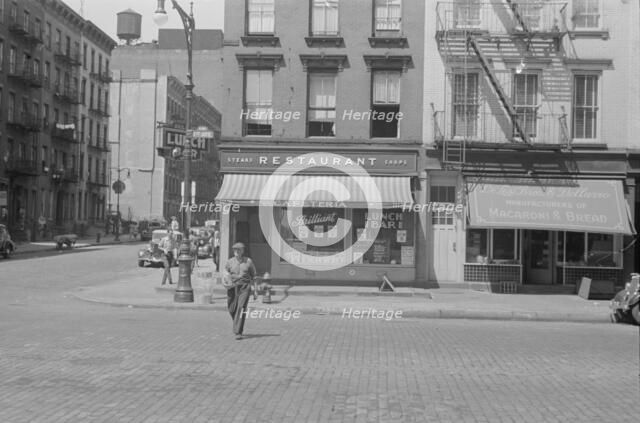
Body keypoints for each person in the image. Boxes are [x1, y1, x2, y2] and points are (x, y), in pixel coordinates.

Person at [223, 242, 256, 340]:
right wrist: (225, 281)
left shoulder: (248, 261)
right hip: (232, 287)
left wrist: (255, 291)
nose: (236, 251)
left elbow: (254, 276)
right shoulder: (229, 262)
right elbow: (225, 273)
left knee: (241, 307)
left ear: (242, 251)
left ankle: (238, 332)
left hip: (245, 287)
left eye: (238, 250)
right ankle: (237, 323)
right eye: (234, 250)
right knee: (231, 308)